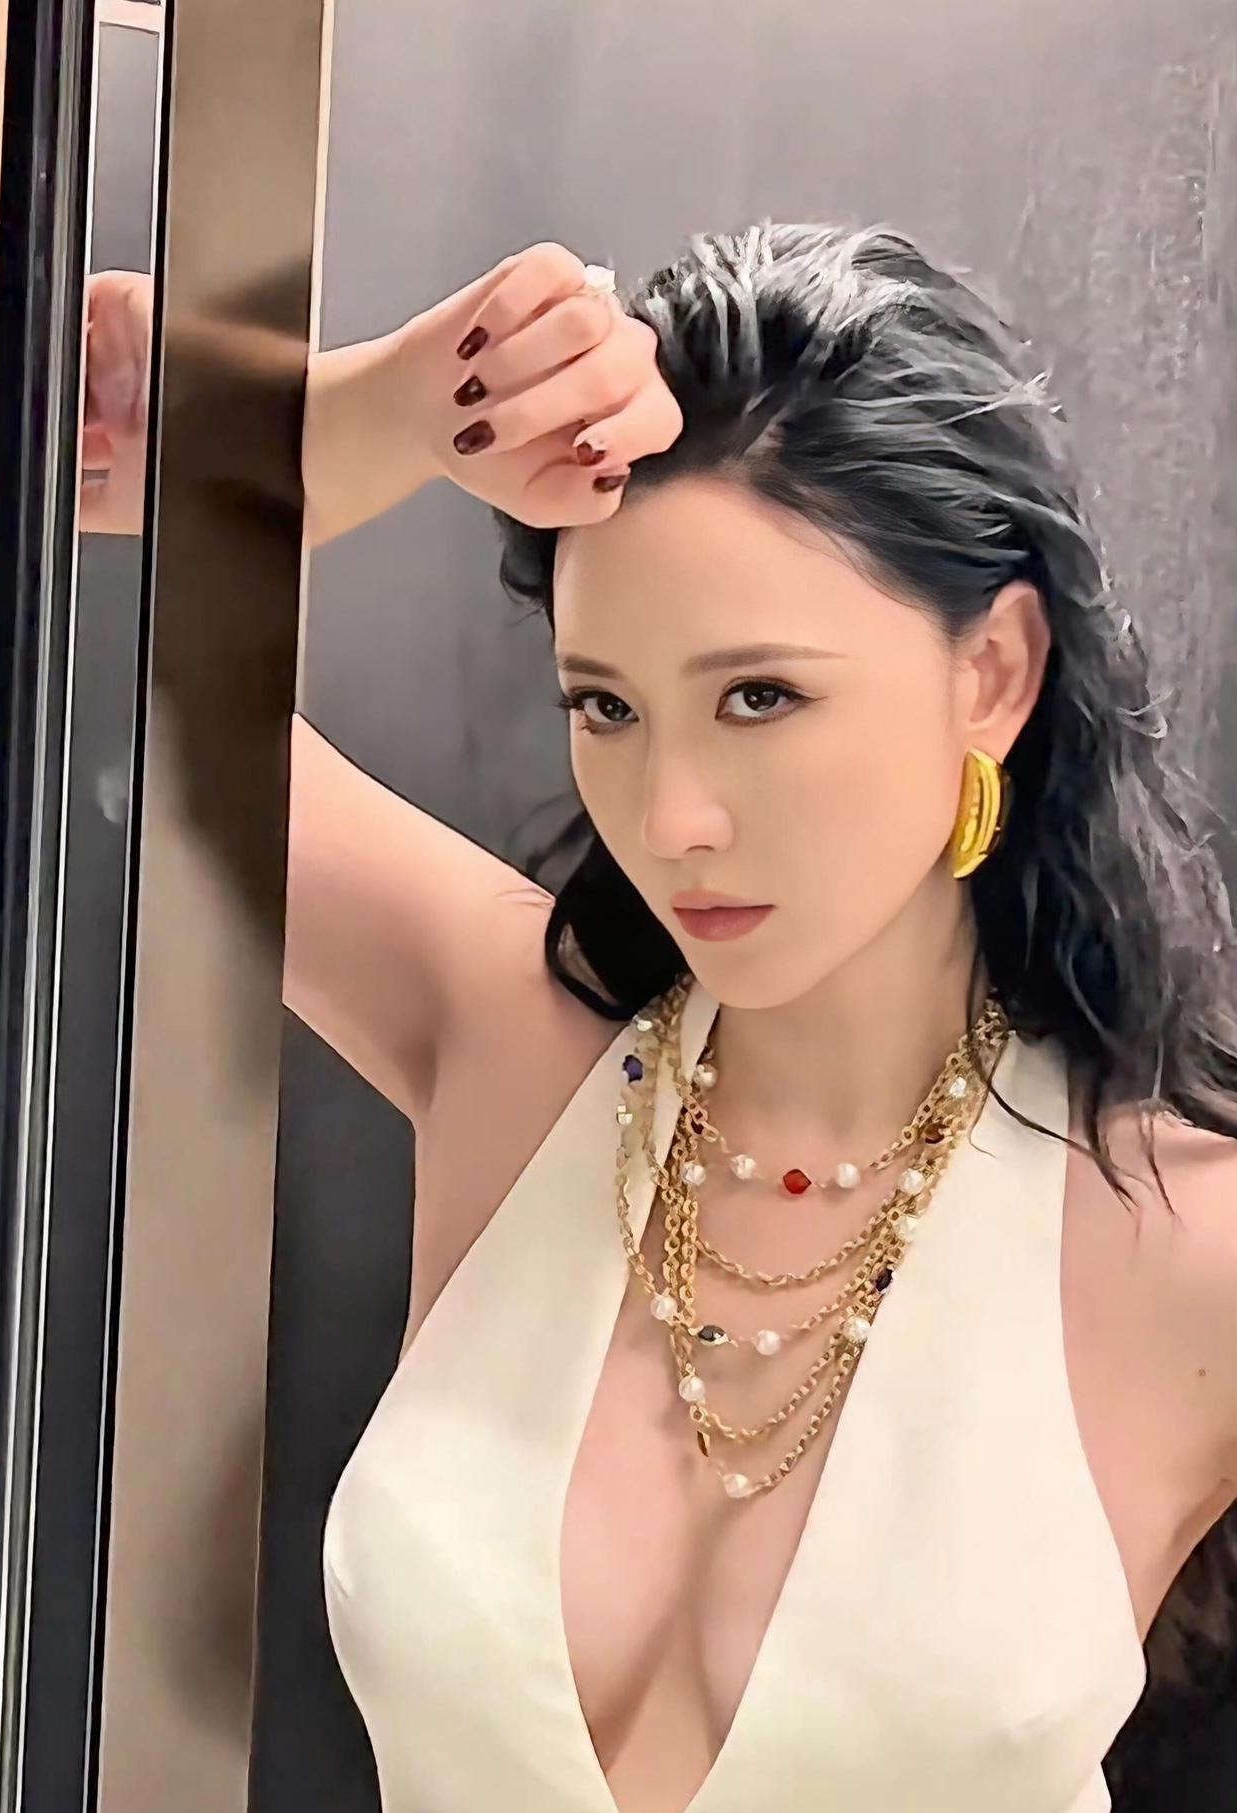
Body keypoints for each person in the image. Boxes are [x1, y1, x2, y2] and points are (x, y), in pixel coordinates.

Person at [80, 224, 1237, 1813]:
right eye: (607, 706)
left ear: (995, 672)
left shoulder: (1184, 1246)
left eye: (761, 696)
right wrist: (394, 410)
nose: (672, 815)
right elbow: (93, 664)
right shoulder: (507, 1040)